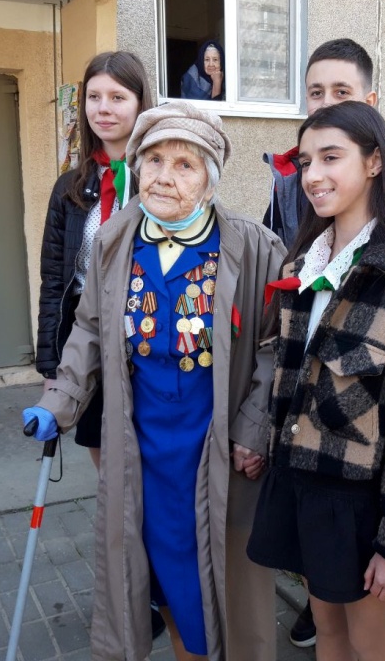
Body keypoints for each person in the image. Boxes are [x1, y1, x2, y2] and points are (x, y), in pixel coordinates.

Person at [24, 101, 284, 661]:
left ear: (210, 180)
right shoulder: (115, 242)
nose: (165, 176)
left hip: (214, 448)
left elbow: (275, 343)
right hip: (140, 449)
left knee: (221, 586)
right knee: (157, 576)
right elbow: (89, 329)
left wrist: (253, 427)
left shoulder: (252, 246)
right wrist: (59, 399)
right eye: (155, 160)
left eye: (185, 165)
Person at [247, 101, 385, 661]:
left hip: (361, 506)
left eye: (331, 157)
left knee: (369, 642)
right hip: (302, 485)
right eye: (305, 161)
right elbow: (289, 376)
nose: (312, 175)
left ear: (374, 163)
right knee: (326, 630)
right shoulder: (302, 268)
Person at [36, 51, 153, 472]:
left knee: (148, 451)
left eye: (117, 97)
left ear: (140, 103)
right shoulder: (70, 187)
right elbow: (54, 280)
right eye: (94, 96)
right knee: (101, 447)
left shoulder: (160, 180)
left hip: (147, 334)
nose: (103, 108)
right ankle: (112, 514)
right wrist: (51, 366)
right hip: (86, 339)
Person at [264, 38, 385, 254]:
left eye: (341, 92)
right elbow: (274, 255)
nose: (326, 104)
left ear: (369, 103)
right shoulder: (288, 173)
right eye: (316, 93)